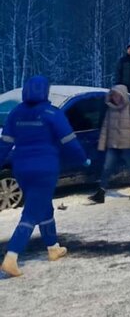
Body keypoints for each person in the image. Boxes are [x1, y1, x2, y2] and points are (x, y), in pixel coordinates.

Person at [0, 76, 89, 277]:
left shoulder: (15, 113)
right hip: (45, 169)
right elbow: (69, 140)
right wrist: (83, 159)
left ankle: (53, 247)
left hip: (21, 168)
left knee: (43, 207)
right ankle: (11, 257)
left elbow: (5, 143)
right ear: (45, 91)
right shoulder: (52, 113)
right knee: (31, 213)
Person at [89, 85, 130, 204]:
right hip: (113, 145)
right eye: (113, 95)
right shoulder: (110, 110)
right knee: (107, 168)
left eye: (118, 95)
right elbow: (105, 128)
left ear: (123, 95)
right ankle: (101, 193)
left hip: (127, 145)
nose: (115, 98)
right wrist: (102, 144)